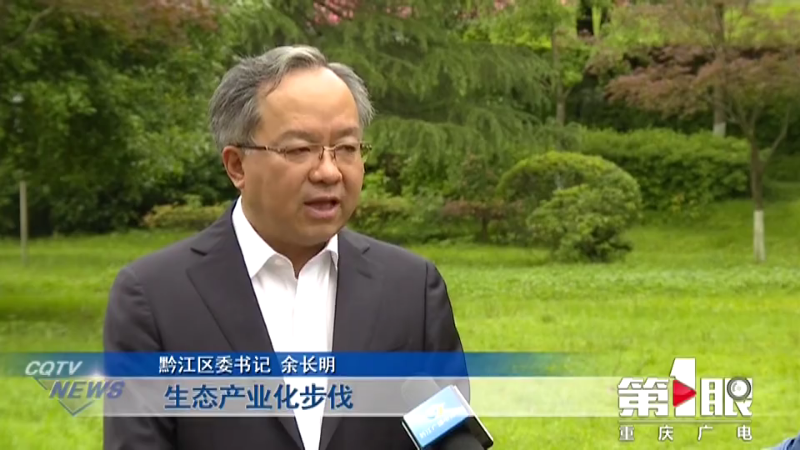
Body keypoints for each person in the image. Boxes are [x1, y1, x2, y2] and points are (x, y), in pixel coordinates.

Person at [102, 45, 467, 450]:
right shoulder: (154, 297)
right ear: (237, 165)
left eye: (346, 148)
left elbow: (449, 439)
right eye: (299, 150)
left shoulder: (411, 289)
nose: (328, 171)